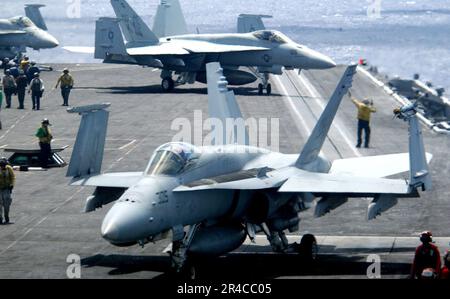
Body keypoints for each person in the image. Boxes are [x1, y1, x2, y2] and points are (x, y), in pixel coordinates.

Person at [0, 157, 15, 225]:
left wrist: (12, 184)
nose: (2, 166)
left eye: (4, 165)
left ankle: (6, 218)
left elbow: (13, 177)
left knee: (7, 204)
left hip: (7, 189)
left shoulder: (9, 168)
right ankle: (0, 219)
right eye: (1, 165)